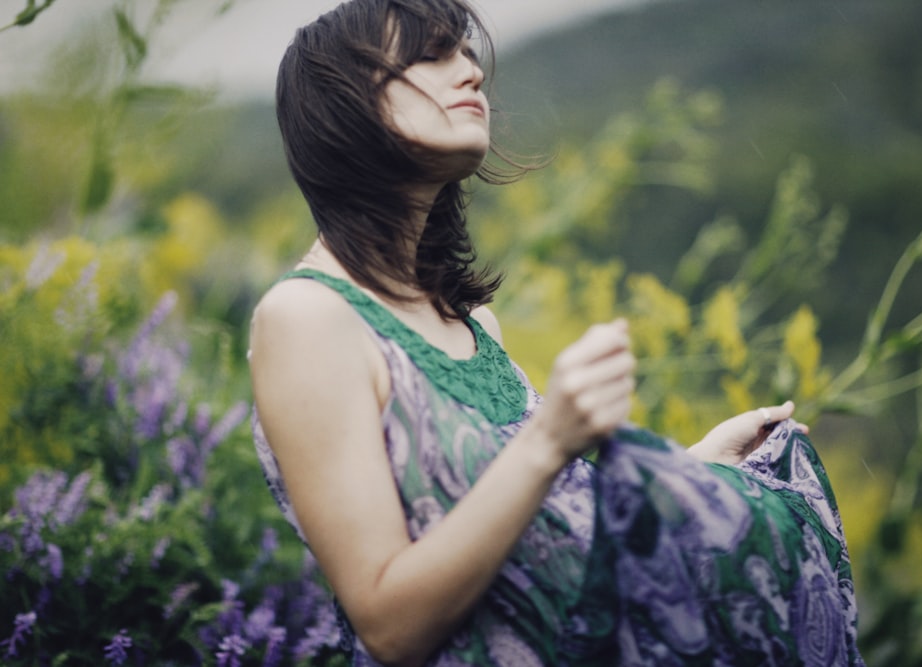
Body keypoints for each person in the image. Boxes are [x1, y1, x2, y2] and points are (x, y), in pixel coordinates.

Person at [248, 1, 864, 665]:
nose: (471, 72)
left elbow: (540, 543)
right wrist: (550, 439)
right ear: (347, 105)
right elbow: (389, 626)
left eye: (464, 51)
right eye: (432, 54)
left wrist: (695, 470)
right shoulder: (307, 319)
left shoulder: (474, 325)